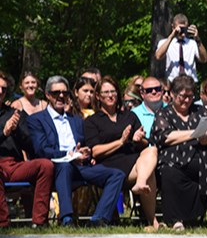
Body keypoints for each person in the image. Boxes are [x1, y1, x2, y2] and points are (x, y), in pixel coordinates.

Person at [28, 76, 126, 227]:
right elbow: (41, 150)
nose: (61, 96)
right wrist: (68, 156)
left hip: (80, 166)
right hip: (55, 167)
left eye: (64, 93)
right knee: (65, 166)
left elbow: (86, 144)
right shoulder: (37, 120)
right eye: (56, 93)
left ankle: (99, 219)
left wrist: (86, 153)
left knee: (116, 174)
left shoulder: (77, 120)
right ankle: (67, 218)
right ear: (47, 95)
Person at [150, 75, 207, 230]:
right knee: (169, 173)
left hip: (206, 156)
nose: (186, 100)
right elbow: (164, 137)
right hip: (175, 159)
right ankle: (176, 219)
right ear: (172, 94)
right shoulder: (163, 114)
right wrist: (194, 134)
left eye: (190, 96)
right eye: (183, 96)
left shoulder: (200, 110)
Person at [84, 76, 159, 229]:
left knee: (151, 149)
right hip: (109, 166)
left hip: (132, 163)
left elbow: (144, 144)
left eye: (113, 91)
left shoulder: (129, 116)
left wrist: (139, 139)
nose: (110, 95)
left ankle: (140, 185)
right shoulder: (92, 121)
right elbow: (96, 151)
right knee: (148, 172)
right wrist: (120, 142)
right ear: (98, 96)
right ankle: (153, 221)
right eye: (106, 92)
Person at [0, 71, 54, 228]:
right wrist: (4, 132)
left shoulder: (15, 113)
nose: (1, 92)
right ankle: (3, 223)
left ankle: (39, 221)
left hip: (15, 165)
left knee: (46, 165)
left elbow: (30, 145)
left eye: (4, 89)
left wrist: (17, 130)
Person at [154, 13, 207, 83]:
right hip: (172, 82)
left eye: (184, 29)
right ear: (173, 27)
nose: (182, 32)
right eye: (180, 29)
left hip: (190, 82)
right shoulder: (165, 42)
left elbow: (204, 59)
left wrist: (197, 39)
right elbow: (158, 56)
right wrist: (171, 36)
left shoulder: (192, 43)